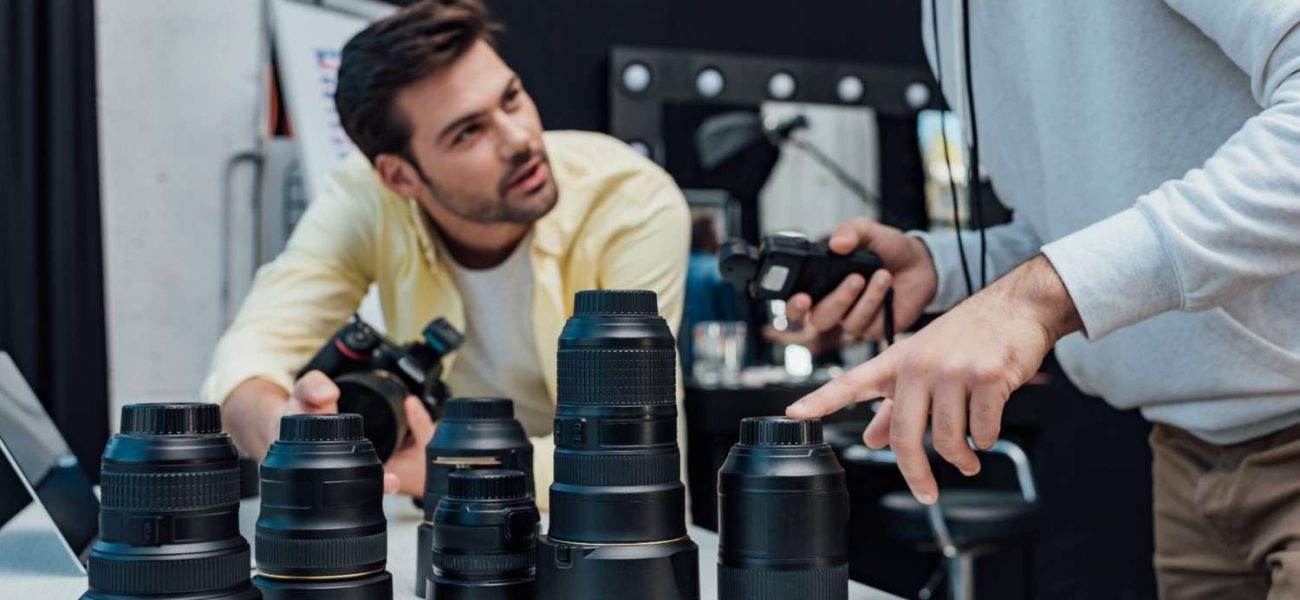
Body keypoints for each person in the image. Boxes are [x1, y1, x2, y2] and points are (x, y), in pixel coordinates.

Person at [784, 1, 1300, 597]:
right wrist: (941, 268)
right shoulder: (948, 19)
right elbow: (1072, 227)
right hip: (1186, 455)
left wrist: (1034, 299)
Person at [201, 0, 689, 506]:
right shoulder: (366, 199)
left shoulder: (631, 202)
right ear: (400, 177)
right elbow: (248, 356)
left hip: (617, 532)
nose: (519, 138)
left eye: (512, 97)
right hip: (450, 530)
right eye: (469, 131)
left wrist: (448, 464)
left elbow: (628, 449)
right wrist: (285, 433)